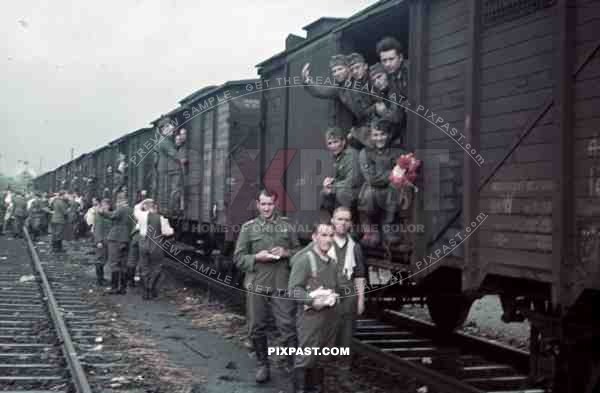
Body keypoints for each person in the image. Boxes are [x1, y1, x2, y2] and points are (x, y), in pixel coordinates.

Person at [234, 189, 300, 383]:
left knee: (287, 325)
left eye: (270, 204)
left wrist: (286, 252)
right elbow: (238, 257)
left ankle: (292, 365)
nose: (266, 208)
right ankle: (263, 364)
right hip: (257, 283)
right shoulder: (248, 228)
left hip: (282, 284)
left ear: (275, 203)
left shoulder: (287, 226)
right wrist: (256, 257)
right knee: (256, 326)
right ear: (257, 205)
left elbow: (299, 253)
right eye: (263, 204)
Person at [288, 221, 339, 393]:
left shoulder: (332, 263)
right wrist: (311, 301)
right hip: (310, 317)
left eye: (331, 235)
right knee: (306, 356)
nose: (328, 239)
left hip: (328, 317)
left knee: (322, 357)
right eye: (323, 235)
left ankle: (316, 389)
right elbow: (293, 290)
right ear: (314, 237)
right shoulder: (305, 260)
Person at [329, 207, 366, 380]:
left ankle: (343, 371)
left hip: (348, 296)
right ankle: (326, 370)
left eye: (346, 220)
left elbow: (359, 275)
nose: (343, 223)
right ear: (332, 221)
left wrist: (360, 300)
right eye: (339, 219)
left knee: (346, 335)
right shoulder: (325, 243)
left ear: (350, 223)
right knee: (327, 333)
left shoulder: (355, 247)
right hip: (328, 295)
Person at [358, 119, 405, 247]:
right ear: (371, 136)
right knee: (368, 196)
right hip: (371, 190)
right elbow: (371, 178)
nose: (379, 138)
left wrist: (396, 174)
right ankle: (371, 230)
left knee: (396, 188)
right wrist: (392, 173)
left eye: (382, 134)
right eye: (376, 135)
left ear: (389, 135)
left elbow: (402, 173)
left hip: (390, 192)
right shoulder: (365, 153)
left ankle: (388, 226)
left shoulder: (398, 152)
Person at [136, 199, 174, 300]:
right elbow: (168, 232)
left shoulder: (141, 217)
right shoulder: (161, 218)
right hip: (156, 246)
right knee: (156, 268)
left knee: (144, 267)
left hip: (143, 245)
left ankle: (145, 292)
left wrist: (143, 202)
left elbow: (137, 225)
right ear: (155, 208)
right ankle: (151, 289)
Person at [320, 127, 361, 216]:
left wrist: (333, 187)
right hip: (343, 188)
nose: (333, 146)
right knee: (324, 193)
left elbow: (353, 181)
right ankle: (331, 223)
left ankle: (346, 222)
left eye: (336, 142)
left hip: (358, 190)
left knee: (341, 193)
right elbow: (335, 178)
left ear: (343, 142)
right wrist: (328, 183)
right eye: (330, 143)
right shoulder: (335, 157)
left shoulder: (351, 155)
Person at [99, 193, 134, 294]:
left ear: (121, 201)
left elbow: (112, 216)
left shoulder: (121, 209)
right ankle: (123, 288)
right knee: (123, 264)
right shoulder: (131, 210)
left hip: (115, 238)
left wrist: (102, 212)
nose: (117, 204)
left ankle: (114, 287)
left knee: (114, 263)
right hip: (126, 239)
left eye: (118, 201)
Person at [368, 62, 406, 147]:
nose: (377, 82)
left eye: (379, 76)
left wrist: (383, 112)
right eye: (374, 80)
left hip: (402, 137)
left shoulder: (394, 90)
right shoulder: (380, 93)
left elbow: (397, 117)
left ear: (387, 75)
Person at [93, 199, 111, 286]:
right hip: (102, 240)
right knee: (100, 259)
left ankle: (101, 278)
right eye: (105, 205)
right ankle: (99, 280)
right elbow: (98, 229)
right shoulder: (100, 215)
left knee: (103, 259)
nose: (106, 207)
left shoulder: (105, 215)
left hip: (106, 240)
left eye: (107, 205)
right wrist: (99, 241)